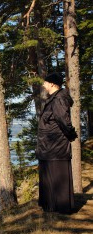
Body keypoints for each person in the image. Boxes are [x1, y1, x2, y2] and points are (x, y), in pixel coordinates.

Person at [36, 72, 78, 214]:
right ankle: (51, 206)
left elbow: (63, 121)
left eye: (46, 82)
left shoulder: (59, 99)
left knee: (57, 175)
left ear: (53, 84)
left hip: (56, 146)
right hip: (49, 146)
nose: (43, 84)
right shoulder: (54, 98)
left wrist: (71, 134)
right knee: (50, 174)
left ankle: (61, 208)